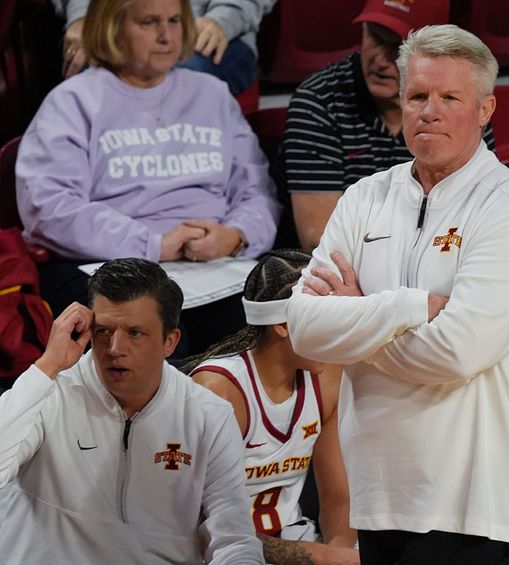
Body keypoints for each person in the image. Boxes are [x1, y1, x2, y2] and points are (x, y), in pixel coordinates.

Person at [286, 24, 509, 564]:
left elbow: (456, 352)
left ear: (485, 109)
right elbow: (304, 331)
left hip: (477, 498)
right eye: (417, 96)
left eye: (449, 97)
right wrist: (405, 309)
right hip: (382, 491)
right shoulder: (366, 197)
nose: (428, 110)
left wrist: (356, 322)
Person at [17, 0, 281, 352]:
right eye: (149, 22)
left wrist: (236, 236)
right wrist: (152, 244)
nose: (166, 35)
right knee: (160, 338)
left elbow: (257, 189)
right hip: (111, 263)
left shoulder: (212, 93)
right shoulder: (72, 101)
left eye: (174, 21)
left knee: (274, 323)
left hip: (215, 264)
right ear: (112, 28)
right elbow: (48, 206)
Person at [0, 258, 263, 563]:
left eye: (135, 333)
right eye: (103, 331)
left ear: (170, 341)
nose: (114, 348)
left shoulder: (208, 415)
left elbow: (233, 538)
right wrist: (48, 364)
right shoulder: (49, 393)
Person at [275, 0, 496, 251]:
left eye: (397, 47)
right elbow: (320, 239)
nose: (380, 61)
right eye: (374, 38)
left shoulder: (463, 106)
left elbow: (480, 213)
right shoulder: (318, 101)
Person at [184, 250, 359, 565]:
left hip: (300, 545)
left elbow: (337, 500)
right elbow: (198, 526)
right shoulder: (219, 391)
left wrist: (340, 551)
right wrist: (323, 557)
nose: (335, 331)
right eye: (324, 318)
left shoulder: (328, 378)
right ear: (281, 325)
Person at [52, 0, 273, 94]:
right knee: (88, 68)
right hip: (123, 25)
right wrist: (83, 18)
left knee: (180, 77)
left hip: (214, 26)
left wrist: (222, 20)